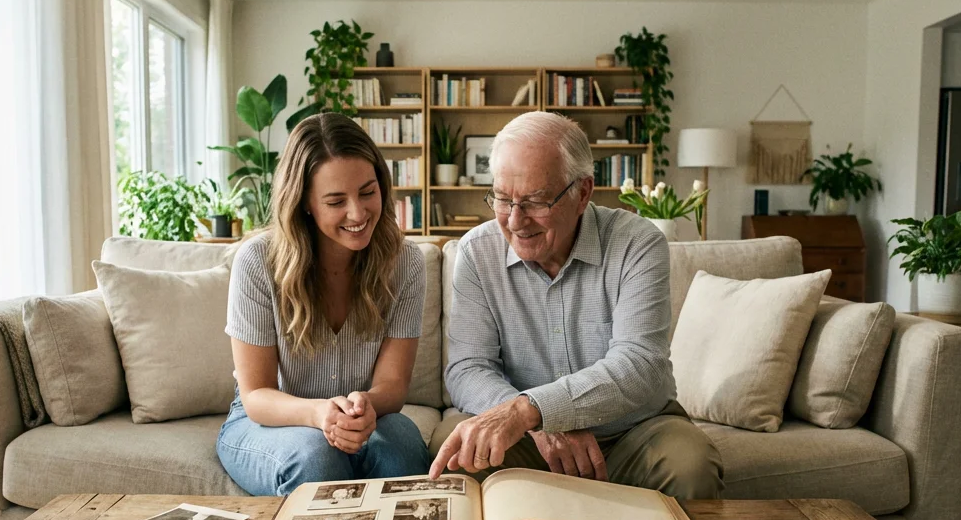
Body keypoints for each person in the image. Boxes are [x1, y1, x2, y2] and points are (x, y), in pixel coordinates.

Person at [428, 111, 723, 499]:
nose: (516, 220)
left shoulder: (638, 243)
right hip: (530, 441)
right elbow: (468, 367)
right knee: (455, 452)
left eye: (535, 201)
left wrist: (535, 410)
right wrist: (532, 424)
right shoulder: (476, 252)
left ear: (582, 192)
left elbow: (640, 364)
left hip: (633, 432)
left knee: (691, 465)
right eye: (502, 199)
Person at [217, 113, 432, 496]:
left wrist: (365, 404)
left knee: (400, 448)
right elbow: (256, 396)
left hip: (364, 416)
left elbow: (393, 386)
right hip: (274, 420)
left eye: (368, 192)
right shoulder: (257, 262)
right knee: (317, 459)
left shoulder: (405, 263)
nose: (358, 213)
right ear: (304, 204)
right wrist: (318, 414)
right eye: (336, 201)